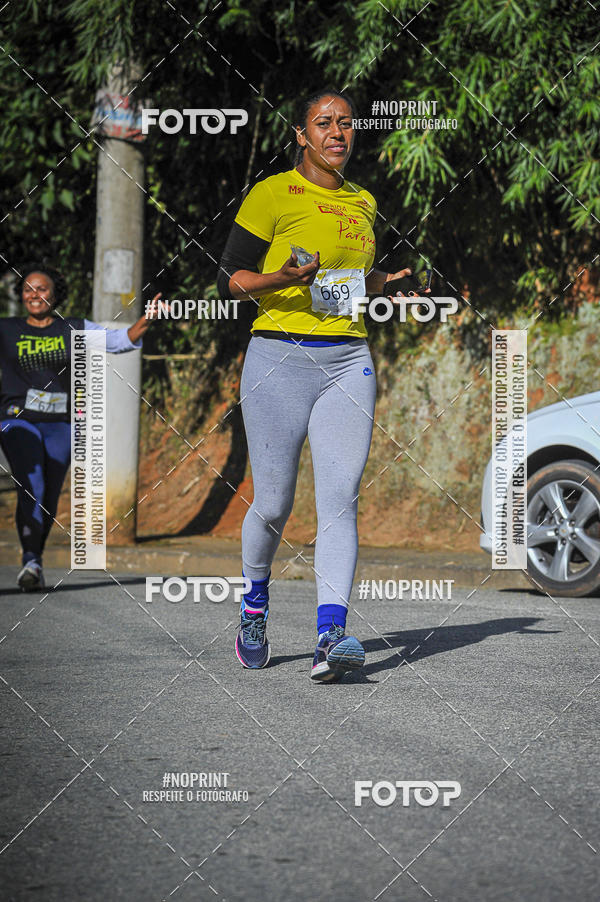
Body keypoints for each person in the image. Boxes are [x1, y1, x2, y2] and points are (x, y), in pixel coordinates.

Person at [217, 88, 424, 682]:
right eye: (324, 123)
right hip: (278, 356)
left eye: (346, 123)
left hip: (347, 360)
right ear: (301, 136)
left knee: (339, 499)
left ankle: (329, 636)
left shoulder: (364, 200)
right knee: (275, 502)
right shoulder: (272, 192)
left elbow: (348, 282)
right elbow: (233, 279)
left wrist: (388, 283)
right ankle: (254, 602)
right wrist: (281, 276)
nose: (338, 132)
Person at [0, 262, 162, 591]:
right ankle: (30, 558)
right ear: (21, 294)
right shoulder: (6, 329)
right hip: (17, 419)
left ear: (54, 294)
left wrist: (147, 320)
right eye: (28, 289)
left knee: (47, 495)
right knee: (32, 486)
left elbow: (119, 341)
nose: (34, 295)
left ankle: (35, 560)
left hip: (61, 425)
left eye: (41, 289)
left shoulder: (72, 327)